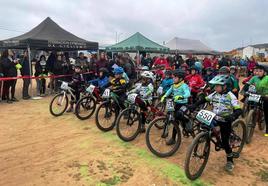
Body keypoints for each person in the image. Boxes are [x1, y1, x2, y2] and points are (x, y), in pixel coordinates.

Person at [190, 74, 242, 172]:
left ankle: (230, 160)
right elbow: (204, 99)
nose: (215, 88)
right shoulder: (214, 94)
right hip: (214, 118)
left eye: (217, 86)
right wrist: (194, 105)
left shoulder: (230, 96)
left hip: (225, 120)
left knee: (225, 142)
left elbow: (239, 110)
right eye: (215, 86)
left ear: (224, 86)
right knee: (206, 128)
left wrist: (233, 116)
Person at [160, 69, 191, 144]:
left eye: (175, 78)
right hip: (174, 103)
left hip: (183, 104)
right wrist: (164, 96)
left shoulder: (184, 85)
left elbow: (188, 94)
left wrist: (181, 96)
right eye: (173, 77)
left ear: (180, 79)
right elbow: (169, 91)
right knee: (172, 118)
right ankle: (173, 138)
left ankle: (187, 121)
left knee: (178, 116)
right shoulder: (173, 85)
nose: (173, 79)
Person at [246, 65, 268, 136]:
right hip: (257, 95)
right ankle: (253, 115)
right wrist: (245, 91)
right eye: (257, 71)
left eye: (260, 71)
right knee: (251, 105)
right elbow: (248, 85)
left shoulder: (267, 78)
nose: (258, 72)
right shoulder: (254, 78)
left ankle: (267, 128)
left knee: (266, 111)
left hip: (265, 96)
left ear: (264, 73)